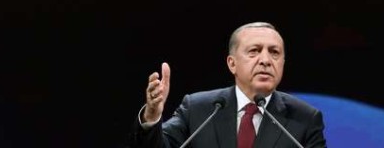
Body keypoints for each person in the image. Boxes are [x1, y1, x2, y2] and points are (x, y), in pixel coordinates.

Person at [129, 22, 327, 147]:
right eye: (254, 51)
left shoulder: (305, 118)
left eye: (274, 52)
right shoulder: (199, 109)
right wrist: (152, 116)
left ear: (283, 63)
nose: (265, 60)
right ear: (232, 64)